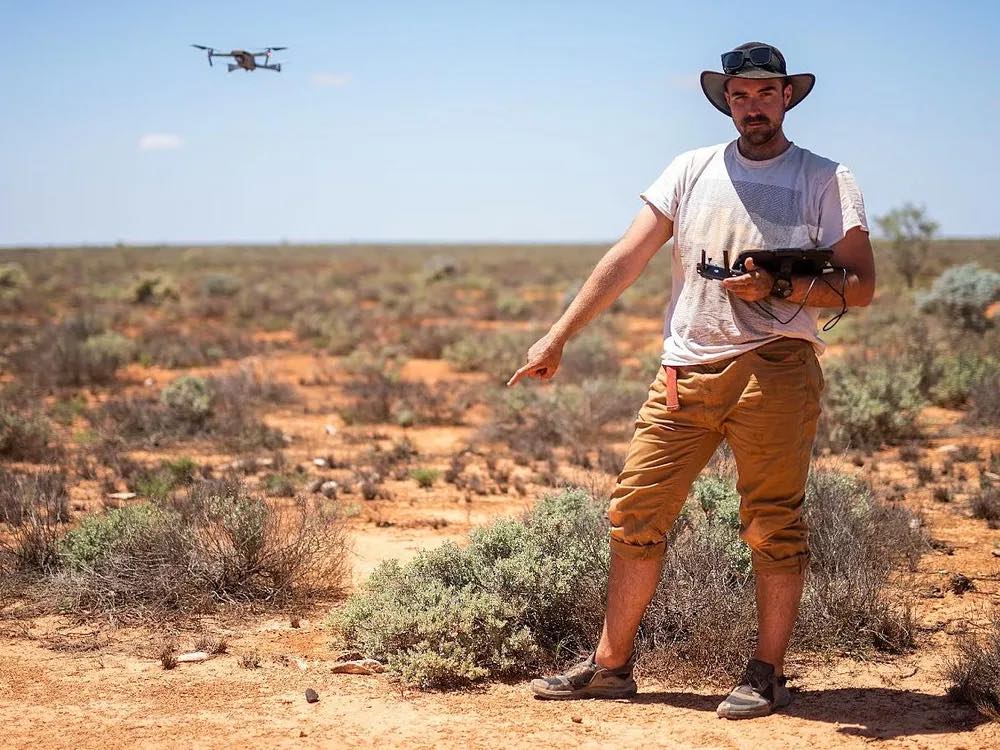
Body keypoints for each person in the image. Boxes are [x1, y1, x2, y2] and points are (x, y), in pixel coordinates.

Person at [506, 42, 875, 719]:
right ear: (725, 100)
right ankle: (611, 666)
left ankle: (766, 672)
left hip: (775, 371)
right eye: (740, 94)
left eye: (766, 93)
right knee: (634, 516)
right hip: (684, 370)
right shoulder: (690, 168)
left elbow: (861, 283)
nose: (752, 105)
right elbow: (628, 256)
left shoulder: (825, 177)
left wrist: (779, 283)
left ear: (788, 96)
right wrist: (558, 335)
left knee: (772, 526)